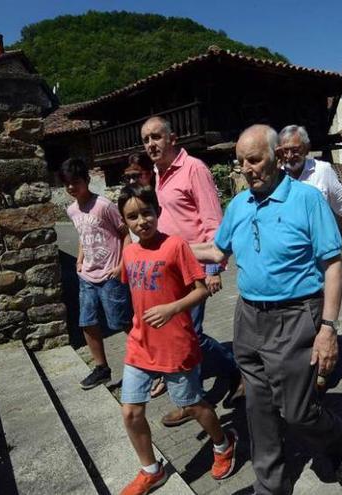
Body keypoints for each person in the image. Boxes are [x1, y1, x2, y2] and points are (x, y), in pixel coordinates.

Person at [192, 124, 342, 493]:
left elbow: (333, 266)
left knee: (297, 412)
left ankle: (339, 440)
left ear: (276, 158)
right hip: (248, 317)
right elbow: (218, 252)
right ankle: (271, 487)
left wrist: (328, 328)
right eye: (241, 163)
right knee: (259, 409)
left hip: (296, 316)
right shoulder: (238, 205)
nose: (248, 168)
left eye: (255, 159)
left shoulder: (306, 200)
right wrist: (170, 246)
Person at [117, 185, 237, 494]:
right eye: (132, 216)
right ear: (125, 221)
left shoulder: (176, 246)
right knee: (130, 412)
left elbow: (200, 289)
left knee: (194, 405)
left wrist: (172, 308)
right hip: (140, 343)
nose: (141, 220)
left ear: (157, 212)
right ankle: (151, 470)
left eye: (146, 212)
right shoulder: (129, 252)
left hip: (175, 345)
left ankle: (223, 444)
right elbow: (136, 292)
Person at [140, 116, 243, 426]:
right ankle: (191, 396)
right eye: (146, 139)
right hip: (169, 267)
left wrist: (213, 269)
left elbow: (214, 222)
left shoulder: (194, 168)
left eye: (156, 137)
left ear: (173, 139)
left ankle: (237, 370)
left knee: (191, 336)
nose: (151, 144)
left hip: (195, 267)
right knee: (178, 334)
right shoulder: (159, 173)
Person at [60, 158, 132, 390]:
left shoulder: (103, 205)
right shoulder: (71, 210)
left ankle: (146, 363)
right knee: (87, 322)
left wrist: (122, 264)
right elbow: (84, 235)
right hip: (87, 276)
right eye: (67, 183)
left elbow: (125, 234)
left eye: (76, 182)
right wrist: (80, 258)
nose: (72, 187)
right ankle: (101, 368)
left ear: (87, 180)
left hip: (111, 274)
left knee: (121, 321)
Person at [277, 125, 342, 228]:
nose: (289, 156)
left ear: (307, 149)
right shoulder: (276, 178)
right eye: (285, 151)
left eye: (295, 150)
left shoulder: (322, 171)